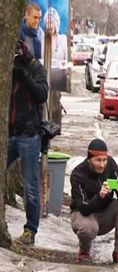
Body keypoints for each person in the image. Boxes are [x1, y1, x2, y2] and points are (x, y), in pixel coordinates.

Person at [9, 40, 48, 245]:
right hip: (8, 134)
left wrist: (25, 78)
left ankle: (30, 230)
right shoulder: (6, 65)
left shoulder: (35, 68)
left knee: (31, 187)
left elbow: (42, 95)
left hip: (28, 135)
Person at [69, 139, 118, 263]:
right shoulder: (78, 174)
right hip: (84, 216)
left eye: (104, 160)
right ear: (89, 159)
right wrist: (100, 196)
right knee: (88, 228)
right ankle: (84, 250)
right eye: (98, 160)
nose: (102, 164)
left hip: (105, 214)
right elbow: (83, 208)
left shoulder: (111, 165)